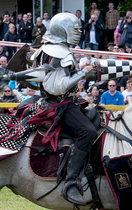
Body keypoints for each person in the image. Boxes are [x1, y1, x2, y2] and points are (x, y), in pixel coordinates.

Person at [26, 13, 97, 206]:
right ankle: (71, 182)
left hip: (65, 102)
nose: (79, 32)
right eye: (75, 29)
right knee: (88, 131)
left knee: (97, 117)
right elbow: (56, 87)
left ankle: (92, 173)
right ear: (63, 30)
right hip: (60, 105)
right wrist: (83, 72)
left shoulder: (51, 49)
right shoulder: (59, 52)